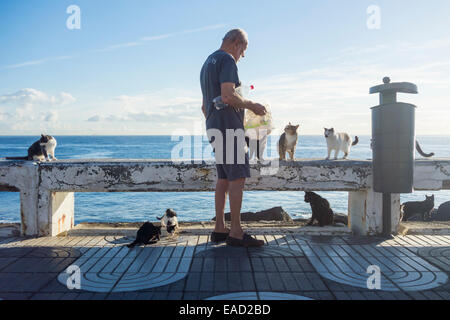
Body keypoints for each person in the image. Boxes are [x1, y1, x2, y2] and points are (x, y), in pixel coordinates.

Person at [200, 28, 267, 247]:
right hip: (229, 127)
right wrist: (251, 106)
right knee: (237, 178)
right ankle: (236, 232)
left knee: (223, 177)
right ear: (236, 42)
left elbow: (204, 105)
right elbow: (228, 95)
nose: (243, 55)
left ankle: (220, 228)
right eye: (244, 49)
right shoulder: (228, 60)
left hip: (213, 124)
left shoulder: (207, 62)